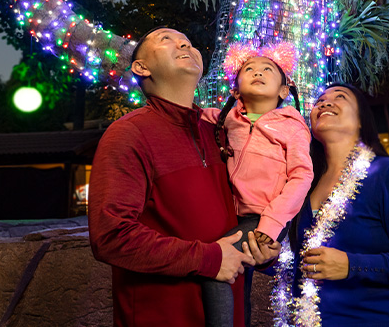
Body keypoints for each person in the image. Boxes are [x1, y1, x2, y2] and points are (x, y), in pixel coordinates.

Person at [88, 27, 279, 327]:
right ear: (141, 67)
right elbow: (111, 236)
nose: (184, 44)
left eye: (188, 42)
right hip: (163, 316)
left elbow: (245, 212)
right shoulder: (128, 135)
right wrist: (209, 259)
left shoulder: (221, 132)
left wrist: (262, 250)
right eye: (167, 39)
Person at [272, 83, 389, 326]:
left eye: (341, 97)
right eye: (319, 101)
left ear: (362, 121)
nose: (325, 103)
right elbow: (296, 262)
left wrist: (352, 265)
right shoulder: (301, 184)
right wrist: (267, 259)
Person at [202, 42, 314, 327]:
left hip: (263, 218)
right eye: (249, 69)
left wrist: (271, 224)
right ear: (235, 91)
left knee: (216, 265)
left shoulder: (292, 125)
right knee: (240, 286)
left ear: (284, 91)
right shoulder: (228, 120)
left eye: (268, 69)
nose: (258, 72)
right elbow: (193, 116)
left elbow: (302, 176)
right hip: (231, 214)